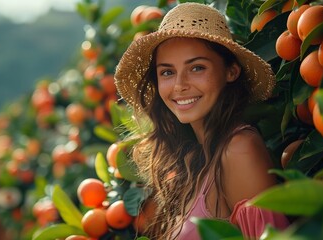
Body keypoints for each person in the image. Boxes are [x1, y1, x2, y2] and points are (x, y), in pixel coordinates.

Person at [114, 2, 289, 240]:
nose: (179, 85)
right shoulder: (190, 160)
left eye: (196, 68)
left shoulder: (238, 150)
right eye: (167, 72)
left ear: (231, 71)